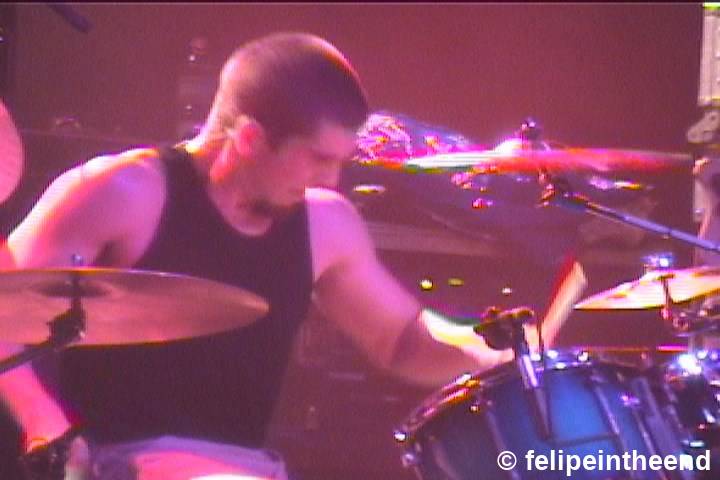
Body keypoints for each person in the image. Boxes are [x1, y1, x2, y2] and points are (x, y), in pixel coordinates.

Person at [0, 32, 562, 479]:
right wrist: (47, 424)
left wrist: (484, 345)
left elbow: (400, 339)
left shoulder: (326, 223)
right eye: (318, 158)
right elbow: (6, 309)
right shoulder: (122, 193)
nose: (332, 179)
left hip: (247, 466)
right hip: (110, 461)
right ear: (248, 138)